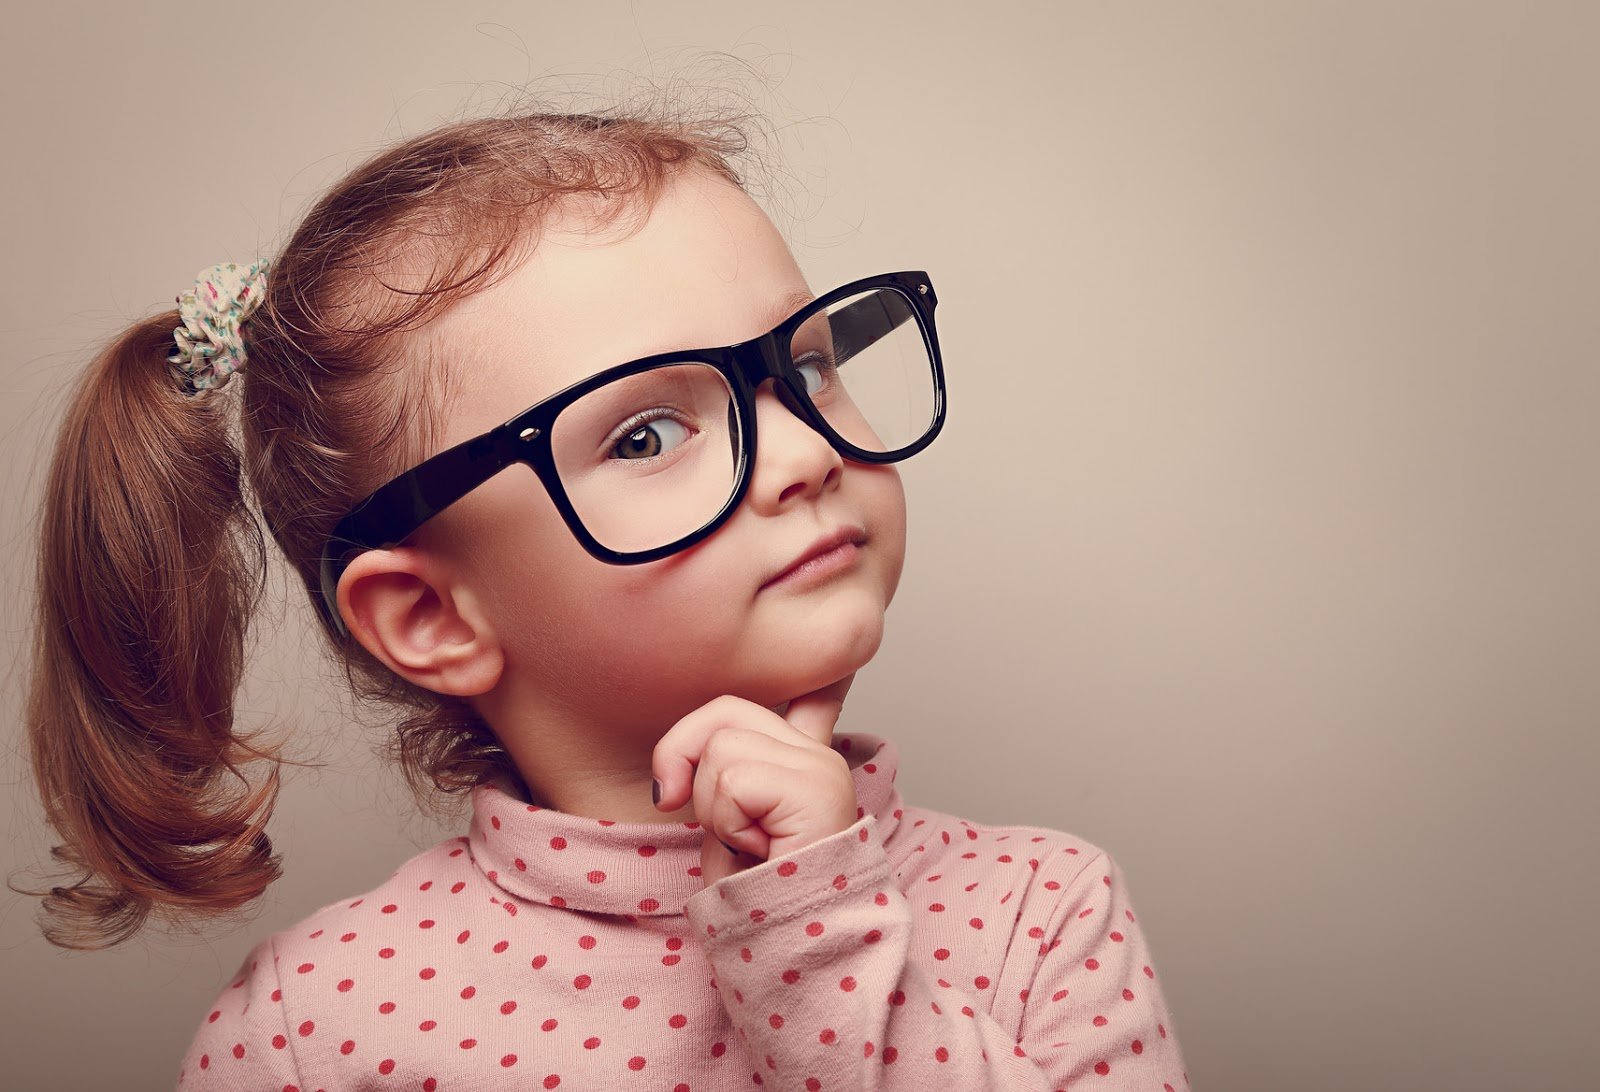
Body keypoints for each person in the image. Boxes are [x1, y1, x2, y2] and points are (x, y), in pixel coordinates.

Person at [20, 103, 1188, 1089]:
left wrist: (815, 940)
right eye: (644, 432)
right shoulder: (312, 1031)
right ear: (433, 617)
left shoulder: (1041, 912)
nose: (804, 452)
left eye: (807, 363)